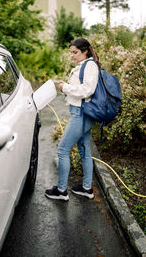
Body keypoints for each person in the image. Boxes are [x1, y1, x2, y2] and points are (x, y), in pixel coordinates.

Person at [45, 37, 100, 201]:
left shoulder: (90, 66)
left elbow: (87, 90)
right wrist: (64, 86)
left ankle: (61, 191)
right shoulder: (84, 65)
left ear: (85, 51)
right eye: (71, 52)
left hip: (81, 115)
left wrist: (65, 87)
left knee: (62, 150)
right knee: (84, 151)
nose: (72, 55)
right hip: (81, 113)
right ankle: (87, 188)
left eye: (75, 52)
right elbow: (80, 89)